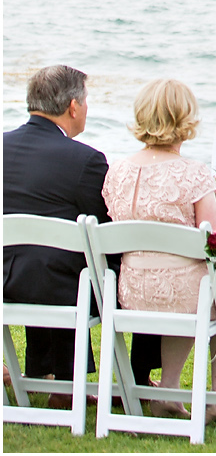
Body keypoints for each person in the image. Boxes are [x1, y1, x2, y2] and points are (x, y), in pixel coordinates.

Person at [102, 78, 216, 422]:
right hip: (185, 293)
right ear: (185, 119)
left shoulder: (118, 171)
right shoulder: (192, 174)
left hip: (130, 290)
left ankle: (167, 391)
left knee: (190, 288)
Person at [3, 64, 160, 404]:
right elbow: (106, 233)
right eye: (86, 102)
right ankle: (136, 380)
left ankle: (55, 380)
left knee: (48, 261)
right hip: (59, 288)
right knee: (144, 270)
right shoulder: (85, 160)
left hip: (5, 280)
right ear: (73, 107)